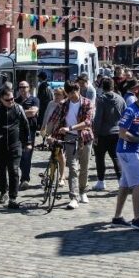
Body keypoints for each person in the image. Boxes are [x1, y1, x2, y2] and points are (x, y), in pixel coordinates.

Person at [46, 81, 94, 209]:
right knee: (72, 168)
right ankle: (73, 197)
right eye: (70, 93)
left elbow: (87, 122)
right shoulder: (63, 105)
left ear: (78, 90)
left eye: (74, 92)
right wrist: (48, 135)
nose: (73, 95)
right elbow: (52, 120)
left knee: (84, 167)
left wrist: (70, 127)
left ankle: (83, 191)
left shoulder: (87, 103)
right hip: (69, 138)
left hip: (85, 137)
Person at [111, 86, 139, 229]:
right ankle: (137, 218)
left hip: (133, 151)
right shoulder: (130, 110)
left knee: (124, 185)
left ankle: (117, 217)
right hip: (127, 151)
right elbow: (122, 133)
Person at [0, 87, 31, 208]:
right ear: (1, 99)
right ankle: (3, 192)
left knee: (14, 170)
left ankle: (13, 198)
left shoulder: (18, 108)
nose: (11, 101)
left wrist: (27, 142)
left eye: (12, 99)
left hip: (15, 144)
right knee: (1, 170)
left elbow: (25, 125)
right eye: (7, 100)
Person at [92, 77, 125, 192]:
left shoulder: (101, 99)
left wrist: (95, 133)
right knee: (116, 157)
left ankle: (101, 182)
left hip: (102, 133)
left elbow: (98, 118)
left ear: (102, 87)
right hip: (117, 132)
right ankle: (121, 182)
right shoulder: (120, 99)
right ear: (113, 86)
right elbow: (125, 115)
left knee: (100, 158)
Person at [14, 80, 40, 189]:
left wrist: (19, 112)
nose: (22, 89)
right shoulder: (15, 101)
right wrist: (26, 112)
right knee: (18, 156)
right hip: (18, 131)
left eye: (25, 87)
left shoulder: (34, 100)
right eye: (20, 87)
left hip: (30, 131)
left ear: (29, 88)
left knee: (27, 155)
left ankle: (25, 179)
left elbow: (33, 112)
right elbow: (12, 113)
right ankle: (23, 177)